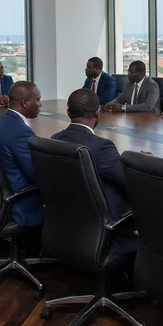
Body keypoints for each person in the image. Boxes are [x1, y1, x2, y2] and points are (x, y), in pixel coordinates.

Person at [51, 89, 137, 257]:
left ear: (68, 112)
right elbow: (129, 180)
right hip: (102, 223)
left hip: (68, 221)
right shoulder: (101, 147)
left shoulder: (55, 139)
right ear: (97, 112)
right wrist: (139, 161)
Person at [0, 82, 44, 246]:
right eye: (38, 100)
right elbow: (36, 174)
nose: (40, 104)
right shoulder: (20, 132)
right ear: (25, 102)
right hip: (19, 202)